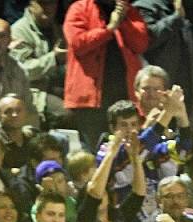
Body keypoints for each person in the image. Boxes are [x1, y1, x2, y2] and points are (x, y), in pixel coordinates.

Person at [62, 0, 148, 148]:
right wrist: (109, 29)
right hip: (92, 99)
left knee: (128, 149)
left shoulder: (128, 11)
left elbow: (140, 44)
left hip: (124, 95)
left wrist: (123, 21)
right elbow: (77, 43)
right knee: (96, 149)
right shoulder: (79, 8)